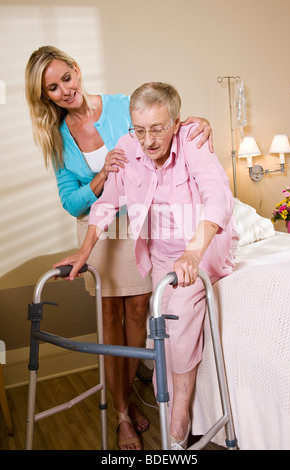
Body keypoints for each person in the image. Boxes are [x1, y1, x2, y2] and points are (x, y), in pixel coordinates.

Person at [25, 48, 213, 451]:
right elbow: (73, 202)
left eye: (66, 79)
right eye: (52, 88)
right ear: (45, 96)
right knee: (108, 317)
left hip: (140, 224)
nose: (64, 91)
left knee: (137, 315)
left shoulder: (120, 106)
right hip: (98, 227)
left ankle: (130, 395)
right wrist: (101, 176)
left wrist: (199, 123)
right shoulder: (56, 136)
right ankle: (123, 414)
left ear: (77, 70)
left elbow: (161, 127)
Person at [53, 82, 239, 450]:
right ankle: (165, 400)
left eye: (157, 129)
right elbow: (106, 204)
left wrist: (192, 253)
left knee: (181, 320)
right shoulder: (127, 147)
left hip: (197, 251)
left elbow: (218, 194)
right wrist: (84, 253)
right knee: (161, 333)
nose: (148, 140)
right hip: (158, 255)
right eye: (140, 130)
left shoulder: (192, 140)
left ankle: (180, 418)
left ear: (175, 122)